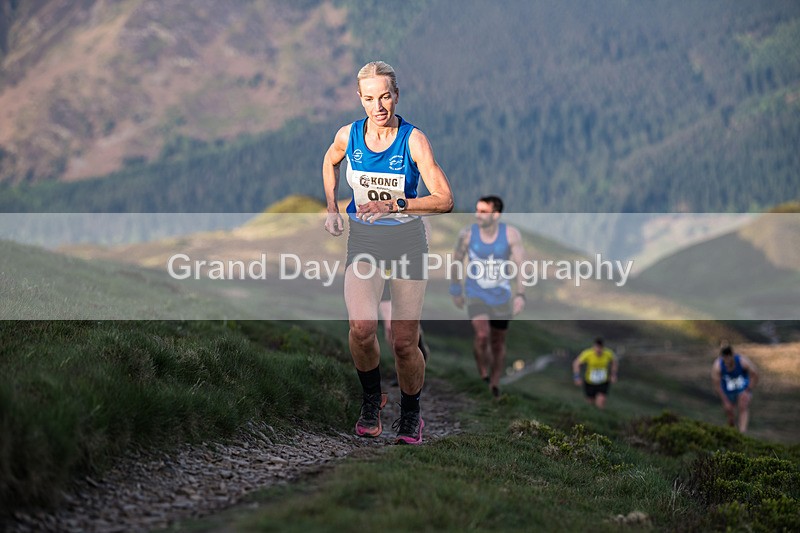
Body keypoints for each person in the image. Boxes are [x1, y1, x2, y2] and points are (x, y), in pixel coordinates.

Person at [322, 61, 453, 445]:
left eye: (384, 96)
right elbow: (329, 162)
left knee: (403, 341)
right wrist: (331, 207)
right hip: (364, 241)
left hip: (407, 243)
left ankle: (411, 414)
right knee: (361, 329)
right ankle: (371, 399)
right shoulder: (348, 136)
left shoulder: (414, 140)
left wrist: (395, 205)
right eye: (369, 98)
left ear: (396, 95)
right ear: (359, 99)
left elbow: (445, 199)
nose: (378, 106)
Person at [449, 195, 527, 397]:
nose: (478, 215)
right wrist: (456, 289)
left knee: (498, 342)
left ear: (496, 214)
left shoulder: (510, 235)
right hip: (475, 293)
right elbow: (456, 261)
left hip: (501, 296)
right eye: (477, 210)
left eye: (483, 212)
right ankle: (483, 372)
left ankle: (494, 383)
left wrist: (520, 294)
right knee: (482, 335)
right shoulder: (467, 234)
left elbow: (521, 266)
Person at [379, 282, 430, 388]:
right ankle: (402, 367)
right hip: (382, 279)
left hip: (403, 277)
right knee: (390, 329)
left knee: (407, 327)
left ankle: (417, 350)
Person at [711, 345, 759, 432]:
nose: (727, 362)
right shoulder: (717, 366)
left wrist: (748, 390)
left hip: (742, 388)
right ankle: (731, 430)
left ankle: (742, 432)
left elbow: (755, 374)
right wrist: (724, 400)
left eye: (729, 359)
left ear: (732, 355)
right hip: (727, 391)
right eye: (725, 360)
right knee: (729, 411)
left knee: (743, 406)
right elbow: (717, 385)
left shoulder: (742, 361)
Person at [572, 338, 618, 409]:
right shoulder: (587, 353)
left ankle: (601, 416)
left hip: (603, 381)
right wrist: (577, 377)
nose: (598, 350)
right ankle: (591, 416)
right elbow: (576, 363)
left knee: (601, 400)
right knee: (590, 402)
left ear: (603, 348)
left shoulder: (608, 353)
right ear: (594, 347)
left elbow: (614, 362)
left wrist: (613, 374)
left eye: (600, 348)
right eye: (597, 348)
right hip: (590, 381)